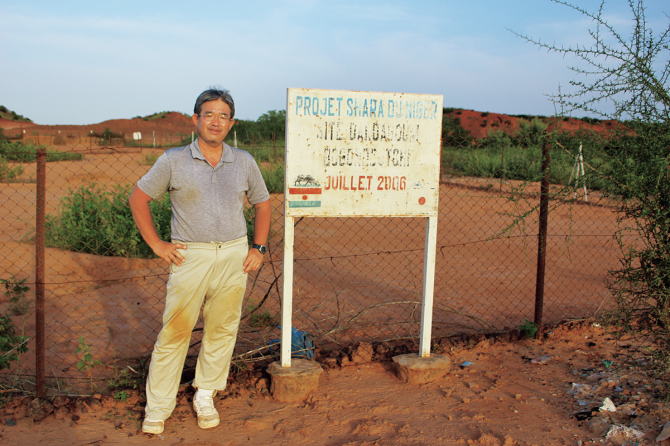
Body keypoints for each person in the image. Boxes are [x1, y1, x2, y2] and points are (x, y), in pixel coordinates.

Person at [129, 88, 271, 434]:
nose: (216, 122)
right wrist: (157, 244)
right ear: (196, 119)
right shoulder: (173, 160)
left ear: (231, 123)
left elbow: (263, 204)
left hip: (234, 256)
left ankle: (205, 395)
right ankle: (158, 407)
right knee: (175, 331)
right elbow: (138, 199)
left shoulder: (244, 161)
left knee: (222, 328)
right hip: (191, 256)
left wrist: (258, 248)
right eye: (209, 114)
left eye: (223, 116)